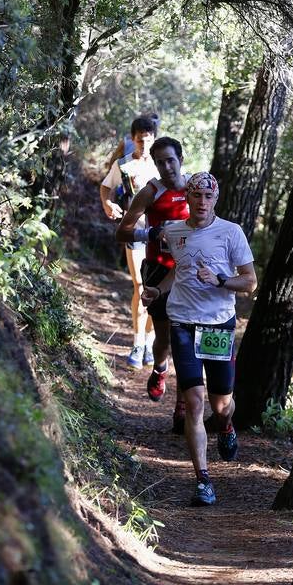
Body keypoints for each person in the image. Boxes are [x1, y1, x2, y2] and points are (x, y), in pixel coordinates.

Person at [142, 172, 257, 507]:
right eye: (196, 196)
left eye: (208, 197)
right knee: (194, 401)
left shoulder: (231, 232)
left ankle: (226, 425)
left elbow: (249, 282)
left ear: (215, 199)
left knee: (221, 405)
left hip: (218, 325)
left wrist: (221, 280)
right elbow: (180, 269)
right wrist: (157, 289)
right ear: (187, 199)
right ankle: (203, 480)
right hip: (183, 323)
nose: (202, 202)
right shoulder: (174, 231)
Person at [116, 136, 190, 433]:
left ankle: (183, 407)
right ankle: (160, 368)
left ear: (181, 159)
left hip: (189, 273)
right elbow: (122, 233)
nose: (166, 167)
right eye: (160, 162)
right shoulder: (149, 192)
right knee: (165, 337)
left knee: (187, 342)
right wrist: (152, 233)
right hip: (158, 271)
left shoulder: (197, 189)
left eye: (170, 160)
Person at [100, 116, 158, 368]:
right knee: (139, 285)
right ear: (131, 139)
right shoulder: (123, 165)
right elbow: (106, 187)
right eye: (139, 141)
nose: (143, 146)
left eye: (147, 141)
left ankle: (150, 341)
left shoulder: (162, 164)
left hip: (160, 234)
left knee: (156, 288)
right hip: (134, 231)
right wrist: (108, 204)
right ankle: (137, 343)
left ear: (153, 138)